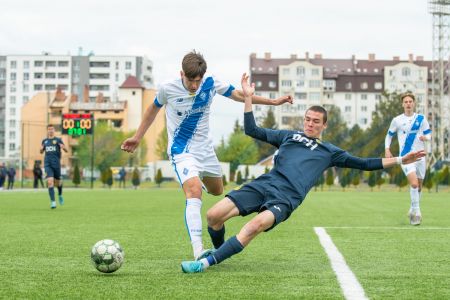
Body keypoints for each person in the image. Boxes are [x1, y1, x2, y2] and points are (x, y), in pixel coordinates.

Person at [180, 74, 426, 273]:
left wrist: (401, 159)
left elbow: (365, 163)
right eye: (307, 119)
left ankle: (204, 264)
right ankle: (220, 252)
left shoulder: (330, 151)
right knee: (213, 216)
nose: (310, 123)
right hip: (265, 184)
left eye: (315, 121)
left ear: (324, 125)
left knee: (255, 225)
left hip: (285, 198)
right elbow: (251, 129)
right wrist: (248, 97)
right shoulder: (289, 136)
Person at [121, 50, 293, 260]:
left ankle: (193, 180)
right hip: (181, 150)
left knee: (217, 190)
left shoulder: (210, 83)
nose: (194, 85)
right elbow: (152, 110)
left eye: (198, 80)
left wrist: (273, 102)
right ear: (181, 73)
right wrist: (137, 137)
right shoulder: (168, 88)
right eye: (190, 80)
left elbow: (239, 95)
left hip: (206, 150)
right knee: (194, 192)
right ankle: (198, 249)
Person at [385, 92, 431, 225]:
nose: (408, 104)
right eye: (406, 102)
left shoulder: (421, 119)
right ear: (402, 104)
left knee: (420, 186)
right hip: (405, 157)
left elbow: (429, 135)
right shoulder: (397, 120)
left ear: (414, 103)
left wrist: (425, 138)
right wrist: (387, 149)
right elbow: (389, 135)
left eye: (410, 101)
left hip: (420, 156)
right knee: (414, 183)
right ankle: (416, 213)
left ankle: (412, 208)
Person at [40, 124, 68, 209]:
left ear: (54, 130)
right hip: (48, 164)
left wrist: (63, 147)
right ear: (47, 131)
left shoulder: (58, 140)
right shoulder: (44, 141)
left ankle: (59, 195)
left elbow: (66, 150)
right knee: (50, 182)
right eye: (49, 129)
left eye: (52, 129)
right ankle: (53, 202)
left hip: (56, 165)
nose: (51, 131)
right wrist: (41, 149)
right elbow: (41, 151)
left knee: (58, 183)